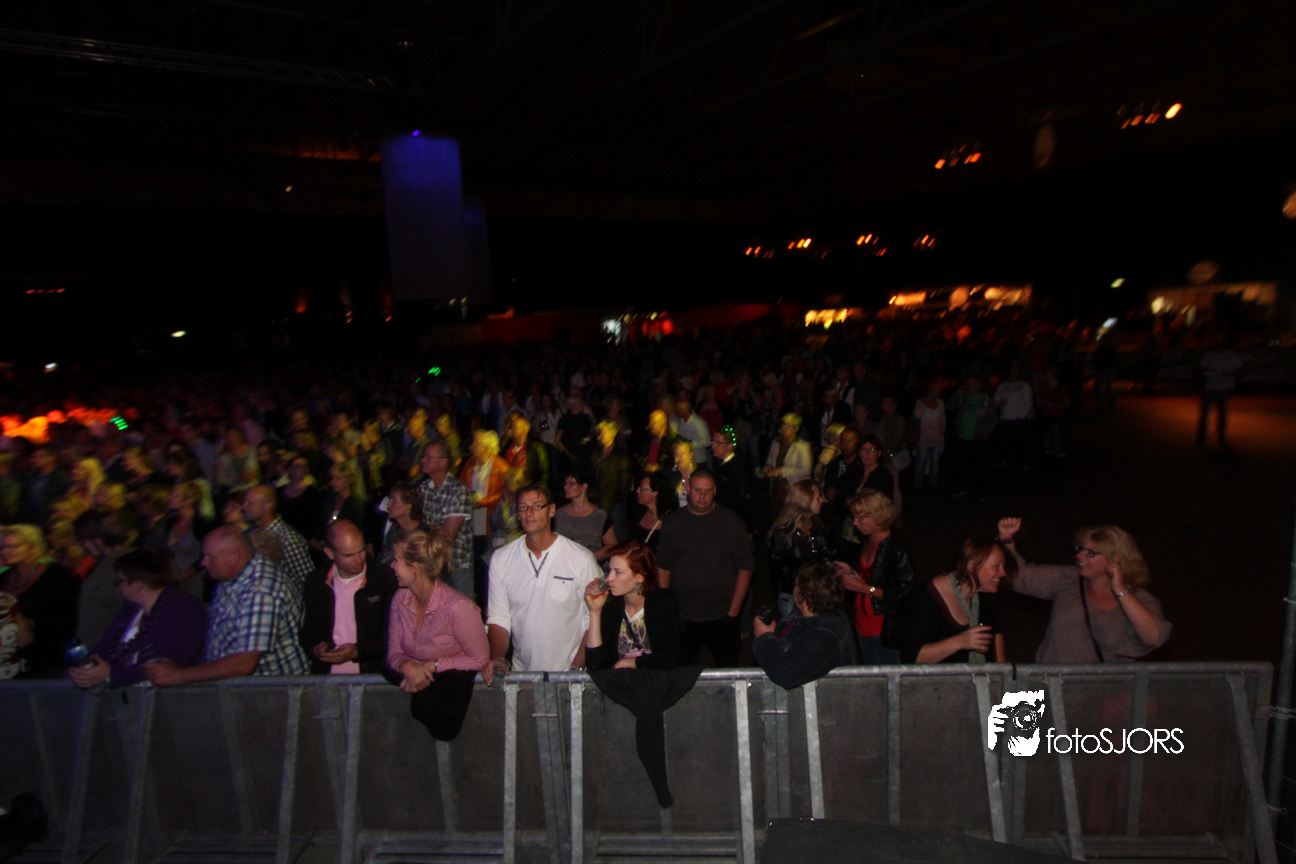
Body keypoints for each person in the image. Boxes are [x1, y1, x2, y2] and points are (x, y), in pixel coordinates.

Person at [145, 526, 308, 685]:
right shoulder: (233, 575)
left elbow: (244, 663)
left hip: (272, 693)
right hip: (243, 691)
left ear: (233, 557)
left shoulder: (261, 591)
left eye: (210, 557)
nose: (204, 563)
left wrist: (178, 676)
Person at [997, 518, 1171, 663]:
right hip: (1055, 685)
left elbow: (1153, 638)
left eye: (1090, 553)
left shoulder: (1140, 600)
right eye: (1080, 550)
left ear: (1115, 560)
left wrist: (1120, 591)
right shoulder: (1068, 580)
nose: (1079, 556)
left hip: (1105, 689)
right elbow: (1019, 577)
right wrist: (1007, 541)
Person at [482, 483, 598, 682]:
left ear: (551, 510)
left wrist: (577, 667)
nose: (529, 513)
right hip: (522, 674)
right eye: (523, 507)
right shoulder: (501, 558)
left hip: (569, 676)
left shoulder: (581, 559)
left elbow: (593, 619)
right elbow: (499, 617)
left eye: (537, 506)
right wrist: (499, 658)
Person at [387, 528, 489, 741]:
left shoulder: (458, 607)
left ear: (414, 567)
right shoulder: (400, 599)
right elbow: (394, 652)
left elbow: (480, 658)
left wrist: (432, 666)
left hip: (459, 712)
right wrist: (408, 668)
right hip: (413, 709)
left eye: (396, 560)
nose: (392, 566)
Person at [68, 548, 207, 689]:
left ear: (137, 585)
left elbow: (171, 661)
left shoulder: (184, 608)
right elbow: (104, 648)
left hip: (164, 695)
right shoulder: (131, 610)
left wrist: (112, 673)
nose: (117, 587)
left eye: (120, 581)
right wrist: (88, 669)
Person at [656, 470, 754, 667]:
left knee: (728, 669)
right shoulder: (673, 523)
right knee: (678, 670)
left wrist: (733, 612)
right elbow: (663, 567)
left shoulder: (731, 522)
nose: (702, 496)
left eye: (707, 491)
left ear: (715, 491)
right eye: (698, 490)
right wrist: (665, 608)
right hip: (683, 615)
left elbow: (745, 568)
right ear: (688, 489)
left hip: (722, 614)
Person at [301, 520, 398, 675]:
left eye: (361, 551)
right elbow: (306, 630)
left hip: (372, 676)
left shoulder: (384, 579)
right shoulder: (316, 582)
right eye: (348, 555)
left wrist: (358, 651)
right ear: (330, 553)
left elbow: (397, 633)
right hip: (327, 676)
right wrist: (315, 648)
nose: (358, 560)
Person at [901, 536, 1011, 664]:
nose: (1003, 573)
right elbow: (912, 657)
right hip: (942, 676)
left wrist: (1001, 670)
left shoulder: (983, 593)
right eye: (997, 566)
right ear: (971, 566)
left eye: (1003, 566)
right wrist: (960, 642)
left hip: (978, 675)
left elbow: (996, 632)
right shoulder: (925, 598)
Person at [837, 489, 913, 664]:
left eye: (860, 519)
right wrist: (851, 572)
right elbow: (867, 577)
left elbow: (905, 595)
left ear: (878, 520)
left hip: (883, 631)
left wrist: (865, 589)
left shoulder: (896, 551)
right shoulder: (866, 540)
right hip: (861, 625)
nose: (855, 523)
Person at [753, 560, 855, 689]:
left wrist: (764, 637)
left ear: (805, 598)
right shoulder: (812, 615)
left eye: (797, 585)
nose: (794, 589)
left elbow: (785, 674)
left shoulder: (823, 637)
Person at [583, 541, 680, 670]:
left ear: (640, 576)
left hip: (653, 680)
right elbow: (594, 663)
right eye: (609, 570)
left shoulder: (662, 603)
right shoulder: (611, 606)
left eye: (618, 572)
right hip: (621, 681)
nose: (609, 578)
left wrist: (633, 662)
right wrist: (595, 611)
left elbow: (670, 657)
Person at [0, 525, 79, 678]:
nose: (5, 552)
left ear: (33, 547)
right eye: (2, 547)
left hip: (46, 659)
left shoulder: (57, 577)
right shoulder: (4, 578)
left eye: (14, 546)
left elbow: (68, 618)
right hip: (10, 660)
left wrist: (31, 623)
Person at [767, 480, 831, 621]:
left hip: (817, 594)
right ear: (806, 502)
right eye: (818, 497)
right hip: (793, 596)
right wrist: (808, 575)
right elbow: (777, 570)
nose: (822, 500)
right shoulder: (783, 534)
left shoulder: (818, 526)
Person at [417, 442, 474, 598]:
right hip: (430, 565)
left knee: (462, 611)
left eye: (428, 457)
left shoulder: (458, 490)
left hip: (455, 565)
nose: (423, 460)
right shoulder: (423, 488)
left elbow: (447, 535)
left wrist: (425, 528)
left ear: (442, 462)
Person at [240, 484, 314, 598]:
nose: (243, 507)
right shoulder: (251, 532)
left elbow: (308, 580)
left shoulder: (287, 538)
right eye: (244, 502)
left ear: (267, 506)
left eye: (250, 503)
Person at [555, 471, 617, 560]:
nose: (565, 487)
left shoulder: (600, 516)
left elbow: (612, 546)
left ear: (584, 486)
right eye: (565, 483)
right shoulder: (558, 514)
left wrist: (587, 559)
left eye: (571, 483)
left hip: (592, 563)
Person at [377, 481, 429, 565]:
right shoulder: (395, 528)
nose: (388, 504)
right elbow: (383, 558)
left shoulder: (422, 536)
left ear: (409, 505)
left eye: (394, 501)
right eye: (390, 499)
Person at [630, 472, 676, 552]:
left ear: (655, 493)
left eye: (642, 489)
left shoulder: (671, 520)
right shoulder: (639, 514)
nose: (637, 491)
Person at [912, 384, 945, 490]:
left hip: (936, 439)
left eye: (939, 389)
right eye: (936, 389)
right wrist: (925, 403)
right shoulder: (921, 401)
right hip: (923, 438)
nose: (938, 391)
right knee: (920, 462)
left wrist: (942, 432)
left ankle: (933, 485)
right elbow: (917, 415)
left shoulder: (940, 402)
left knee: (935, 463)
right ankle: (917, 485)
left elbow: (943, 418)